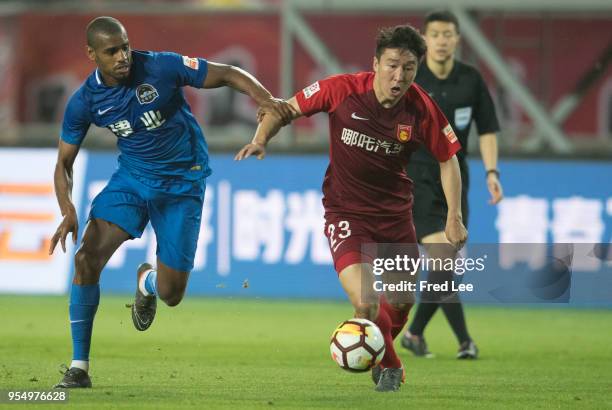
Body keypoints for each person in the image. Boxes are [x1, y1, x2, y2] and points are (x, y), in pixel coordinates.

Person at [49, 16, 293, 389]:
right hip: (132, 180)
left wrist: (266, 101)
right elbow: (63, 163)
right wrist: (68, 210)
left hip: (183, 180)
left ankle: (146, 282)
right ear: (92, 54)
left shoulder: (161, 66)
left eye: (125, 46)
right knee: (86, 258)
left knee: (171, 294)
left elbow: (227, 73)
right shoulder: (84, 102)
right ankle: (79, 367)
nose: (122, 56)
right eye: (112, 51)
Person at [235, 24, 467, 392]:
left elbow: (448, 158)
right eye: (392, 65)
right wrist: (261, 138)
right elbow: (284, 109)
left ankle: (377, 347)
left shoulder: (420, 108)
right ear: (376, 63)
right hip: (346, 213)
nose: (399, 75)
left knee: (402, 302)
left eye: (408, 68)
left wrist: (453, 216)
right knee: (366, 304)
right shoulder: (341, 90)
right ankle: (391, 366)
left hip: (394, 217)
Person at [400, 10, 503, 360]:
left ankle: (415, 334)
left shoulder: (471, 80)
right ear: (425, 39)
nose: (442, 40)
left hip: (456, 180)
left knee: (447, 269)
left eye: (448, 34)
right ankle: (461, 341)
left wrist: (492, 173)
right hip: (417, 179)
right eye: (435, 34)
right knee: (443, 262)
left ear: (458, 39)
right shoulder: (411, 78)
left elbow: (487, 129)